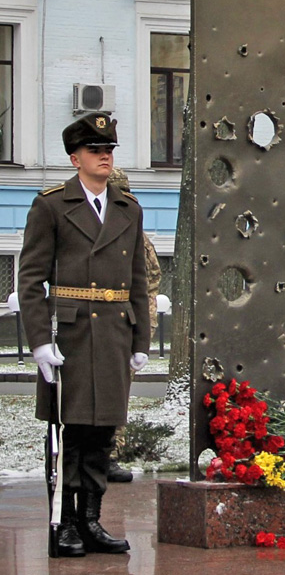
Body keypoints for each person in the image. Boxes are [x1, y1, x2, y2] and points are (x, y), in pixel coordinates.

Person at [18, 112, 150, 557]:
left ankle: (92, 520)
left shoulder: (127, 208)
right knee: (71, 434)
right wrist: (39, 340)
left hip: (114, 333)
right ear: (75, 158)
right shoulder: (52, 206)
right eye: (95, 151)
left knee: (102, 435)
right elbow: (31, 278)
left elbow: (138, 281)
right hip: (69, 335)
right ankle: (67, 523)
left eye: (109, 150)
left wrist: (141, 342)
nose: (104, 157)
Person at [106, 166, 161, 482]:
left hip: (125, 323)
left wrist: (142, 325)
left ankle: (110, 455)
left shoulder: (134, 233)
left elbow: (150, 278)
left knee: (117, 391)